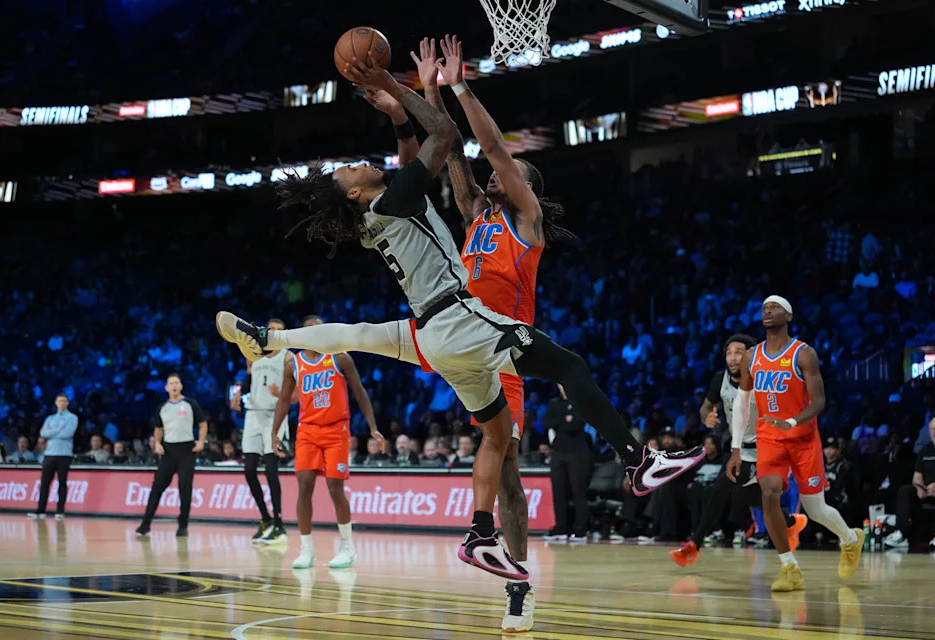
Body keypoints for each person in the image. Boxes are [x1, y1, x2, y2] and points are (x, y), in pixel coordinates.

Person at [215, 50, 702, 584]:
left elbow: (421, 154)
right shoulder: (408, 202)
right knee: (571, 368)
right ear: (355, 192)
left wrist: (400, 110)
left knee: (375, 345)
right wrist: (405, 86)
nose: (359, 162)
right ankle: (636, 460)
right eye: (350, 169)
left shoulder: (394, 209)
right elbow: (445, 140)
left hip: (433, 333)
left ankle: (479, 533)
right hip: (462, 322)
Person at [727, 296, 864, 592]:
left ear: (788, 315)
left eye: (774, 307)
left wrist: (790, 422)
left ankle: (851, 539)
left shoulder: (803, 354)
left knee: (816, 510)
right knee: (770, 493)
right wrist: (736, 447)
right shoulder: (753, 356)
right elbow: (742, 402)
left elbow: (819, 402)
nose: (767, 310)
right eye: (763, 307)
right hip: (769, 437)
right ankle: (790, 567)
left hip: (802, 438)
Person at [671, 335, 807, 566]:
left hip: (767, 447)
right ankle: (791, 523)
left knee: (721, 487)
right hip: (739, 449)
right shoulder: (719, 379)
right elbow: (706, 407)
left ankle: (694, 545)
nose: (733, 358)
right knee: (747, 494)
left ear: (751, 354)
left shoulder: (764, 378)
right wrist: (707, 418)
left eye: (739, 352)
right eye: (729, 353)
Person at [271, 316, 385, 569]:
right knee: (304, 486)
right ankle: (306, 550)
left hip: (336, 430)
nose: (313, 333)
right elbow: (283, 401)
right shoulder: (294, 364)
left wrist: (373, 427)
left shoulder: (340, 357)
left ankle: (347, 547)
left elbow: (360, 392)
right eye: (308, 329)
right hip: (307, 430)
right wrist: (274, 432)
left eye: (317, 329)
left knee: (335, 488)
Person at [231, 317, 292, 544]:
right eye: (272, 329)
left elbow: (295, 394)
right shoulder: (253, 354)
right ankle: (265, 519)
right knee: (248, 470)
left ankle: (279, 524)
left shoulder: (288, 357)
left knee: (271, 471)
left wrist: (283, 395)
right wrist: (238, 394)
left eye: (279, 330)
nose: (275, 332)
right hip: (253, 415)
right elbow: (249, 379)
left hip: (274, 417)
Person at [136, 373, 208, 537]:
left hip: (187, 451)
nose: (174, 385)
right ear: (166, 388)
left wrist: (201, 442)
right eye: (171, 383)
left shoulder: (191, 404)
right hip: (169, 451)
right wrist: (157, 443)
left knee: (185, 488)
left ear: (181, 386)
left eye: (177, 382)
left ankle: (183, 525)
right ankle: (145, 524)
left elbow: (202, 424)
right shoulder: (162, 407)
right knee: (157, 487)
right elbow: (158, 429)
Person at [543, 385, 592, 543]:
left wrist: (559, 421)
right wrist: (565, 418)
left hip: (577, 453)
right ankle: (561, 528)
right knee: (558, 492)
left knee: (578, 491)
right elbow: (546, 422)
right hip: (558, 452)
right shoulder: (554, 403)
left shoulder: (580, 402)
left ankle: (580, 531)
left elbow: (576, 425)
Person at [884, 418, 935, 549]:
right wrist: (919, 487)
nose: (934, 432)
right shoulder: (925, 451)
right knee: (905, 490)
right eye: (932, 429)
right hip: (926, 491)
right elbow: (916, 477)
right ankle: (901, 533)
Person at [28, 393, 78, 520]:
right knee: (44, 483)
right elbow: (43, 433)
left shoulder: (72, 418)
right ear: (56, 403)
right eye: (60, 401)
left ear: (68, 403)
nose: (62, 403)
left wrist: (51, 433)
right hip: (49, 454)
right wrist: (58, 430)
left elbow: (68, 433)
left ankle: (60, 511)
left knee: (62, 482)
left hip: (64, 454)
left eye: (64, 401)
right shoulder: (50, 418)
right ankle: (40, 510)